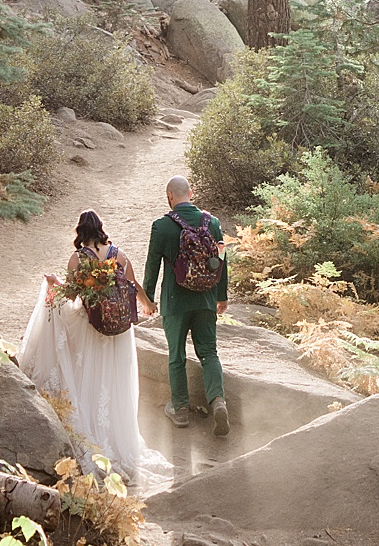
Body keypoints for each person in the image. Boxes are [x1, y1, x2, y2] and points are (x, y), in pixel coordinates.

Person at [16, 209, 154, 479]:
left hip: (94, 328)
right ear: (101, 229)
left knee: (91, 380)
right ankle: (117, 438)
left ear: (80, 231)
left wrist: (52, 283)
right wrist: (147, 305)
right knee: (114, 383)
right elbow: (133, 284)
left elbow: (70, 299)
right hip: (120, 332)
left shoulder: (78, 259)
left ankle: (94, 436)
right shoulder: (119, 255)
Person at [145, 174, 231, 434]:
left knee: (177, 355)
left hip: (175, 302)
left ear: (170, 196)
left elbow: (152, 266)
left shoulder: (162, 226)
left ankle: (180, 409)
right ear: (190, 193)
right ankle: (217, 401)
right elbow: (222, 259)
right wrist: (221, 295)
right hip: (205, 299)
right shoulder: (212, 223)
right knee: (209, 352)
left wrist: (148, 299)